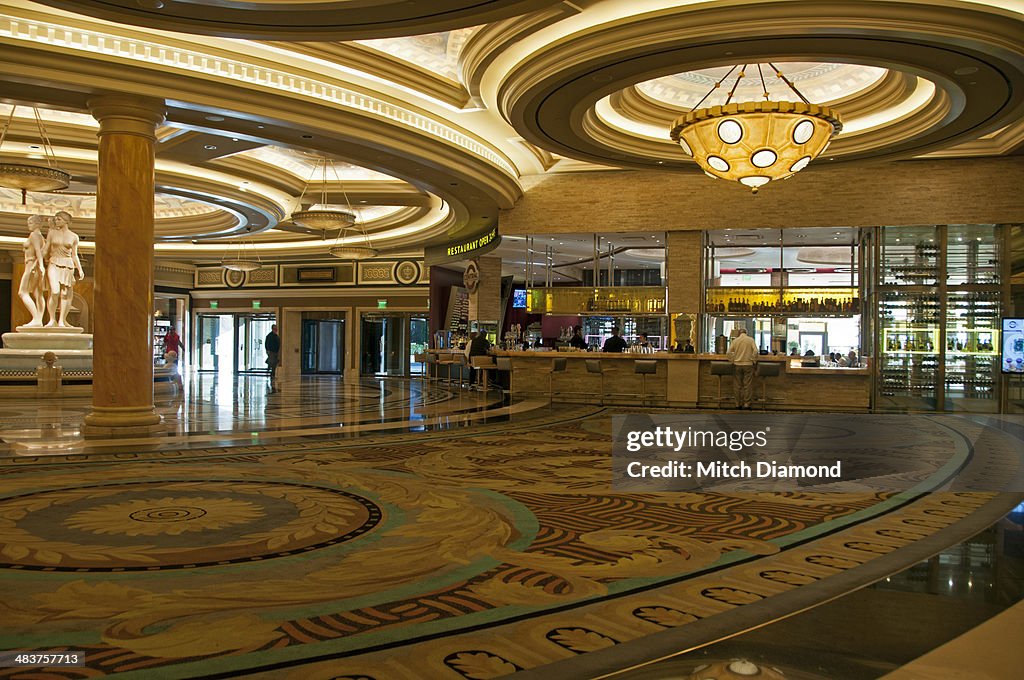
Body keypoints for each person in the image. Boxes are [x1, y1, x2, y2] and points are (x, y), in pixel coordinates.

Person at [43, 211, 84, 328]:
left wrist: (80, 269)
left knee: (65, 294)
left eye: (59, 219)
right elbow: (46, 249)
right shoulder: (52, 233)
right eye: (56, 219)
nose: (56, 221)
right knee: (54, 291)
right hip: (54, 262)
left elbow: (74, 255)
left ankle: (62, 321)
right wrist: (39, 259)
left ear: (66, 221)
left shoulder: (74, 236)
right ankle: (52, 320)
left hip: (68, 264)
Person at [18, 215, 47, 327]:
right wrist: (41, 265)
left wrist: (39, 265)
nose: (28, 225)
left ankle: (36, 318)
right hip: (35, 266)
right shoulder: (40, 236)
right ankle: (38, 320)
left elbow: (38, 251)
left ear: (37, 224)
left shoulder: (34, 235)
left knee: (22, 292)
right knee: (38, 293)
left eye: (30, 223)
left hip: (31, 266)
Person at [726, 327, 759, 409]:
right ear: (746, 333)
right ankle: (746, 404)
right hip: (748, 364)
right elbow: (755, 351)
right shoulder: (750, 340)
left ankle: (737, 404)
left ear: (739, 333)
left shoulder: (735, 340)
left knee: (737, 385)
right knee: (747, 385)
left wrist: (732, 360)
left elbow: (728, 352)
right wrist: (753, 360)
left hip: (737, 364)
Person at [265, 324, 281, 390]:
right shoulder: (270, 336)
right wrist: (268, 350)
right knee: (273, 363)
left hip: (275, 352)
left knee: (273, 363)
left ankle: (271, 373)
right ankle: (272, 374)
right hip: (272, 351)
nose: (276, 330)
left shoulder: (276, 336)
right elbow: (267, 344)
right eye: (275, 328)